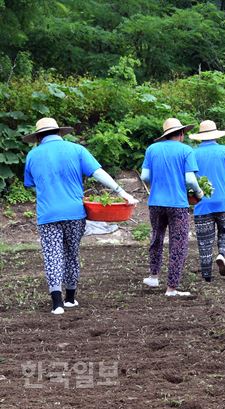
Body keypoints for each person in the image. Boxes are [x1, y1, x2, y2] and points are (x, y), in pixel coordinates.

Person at [23, 117, 139, 314]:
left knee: (53, 256)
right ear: (59, 133)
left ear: (38, 137)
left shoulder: (33, 155)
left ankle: (57, 304)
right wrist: (122, 192)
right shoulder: (77, 150)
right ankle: (70, 298)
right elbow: (98, 173)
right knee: (71, 253)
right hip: (74, 213)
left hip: (48, 214)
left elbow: (31, 183)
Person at [140, 118, 203, 296]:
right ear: (181, 134)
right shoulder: (186, 150)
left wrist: (158, 183)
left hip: (156, 203)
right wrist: (198, 193)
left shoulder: (152, 149)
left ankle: (153, 276)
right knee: (178, 243)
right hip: (178, 203)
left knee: (157, 237)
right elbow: (190, 179)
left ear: (166, 135)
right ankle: (171, 288)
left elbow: (145, 176)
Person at [188, 120, 225, 281]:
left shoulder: (192, 154)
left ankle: (207, 277)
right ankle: (221, 254)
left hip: (202, 204)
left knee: (204, 243)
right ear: (215, 135)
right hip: (224, 203)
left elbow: (188, 179)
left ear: (200, 137)